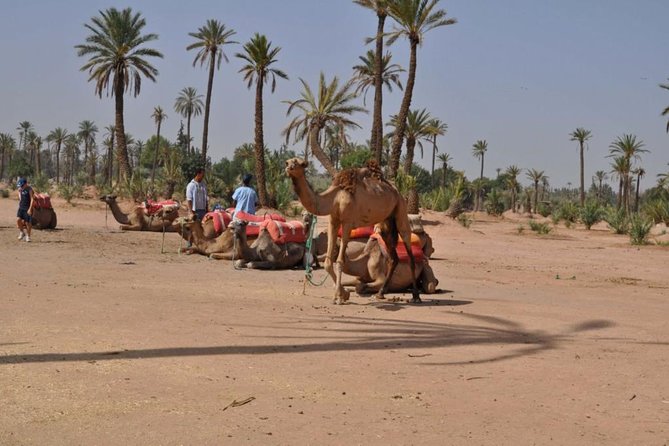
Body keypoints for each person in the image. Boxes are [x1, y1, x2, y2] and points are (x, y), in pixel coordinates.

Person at [16, 177, 35, 242]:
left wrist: (30, 209)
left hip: (27, 208)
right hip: (21, 207)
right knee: (18, 220)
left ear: (26, 184)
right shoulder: (21, 189)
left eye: (22, 185)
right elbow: (20, 197)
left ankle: (28, 236)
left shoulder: (29, 189)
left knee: (27, 223)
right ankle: (22, 232)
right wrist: (19, 193)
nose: (21, 186)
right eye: (20, 185)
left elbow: (32, 199)